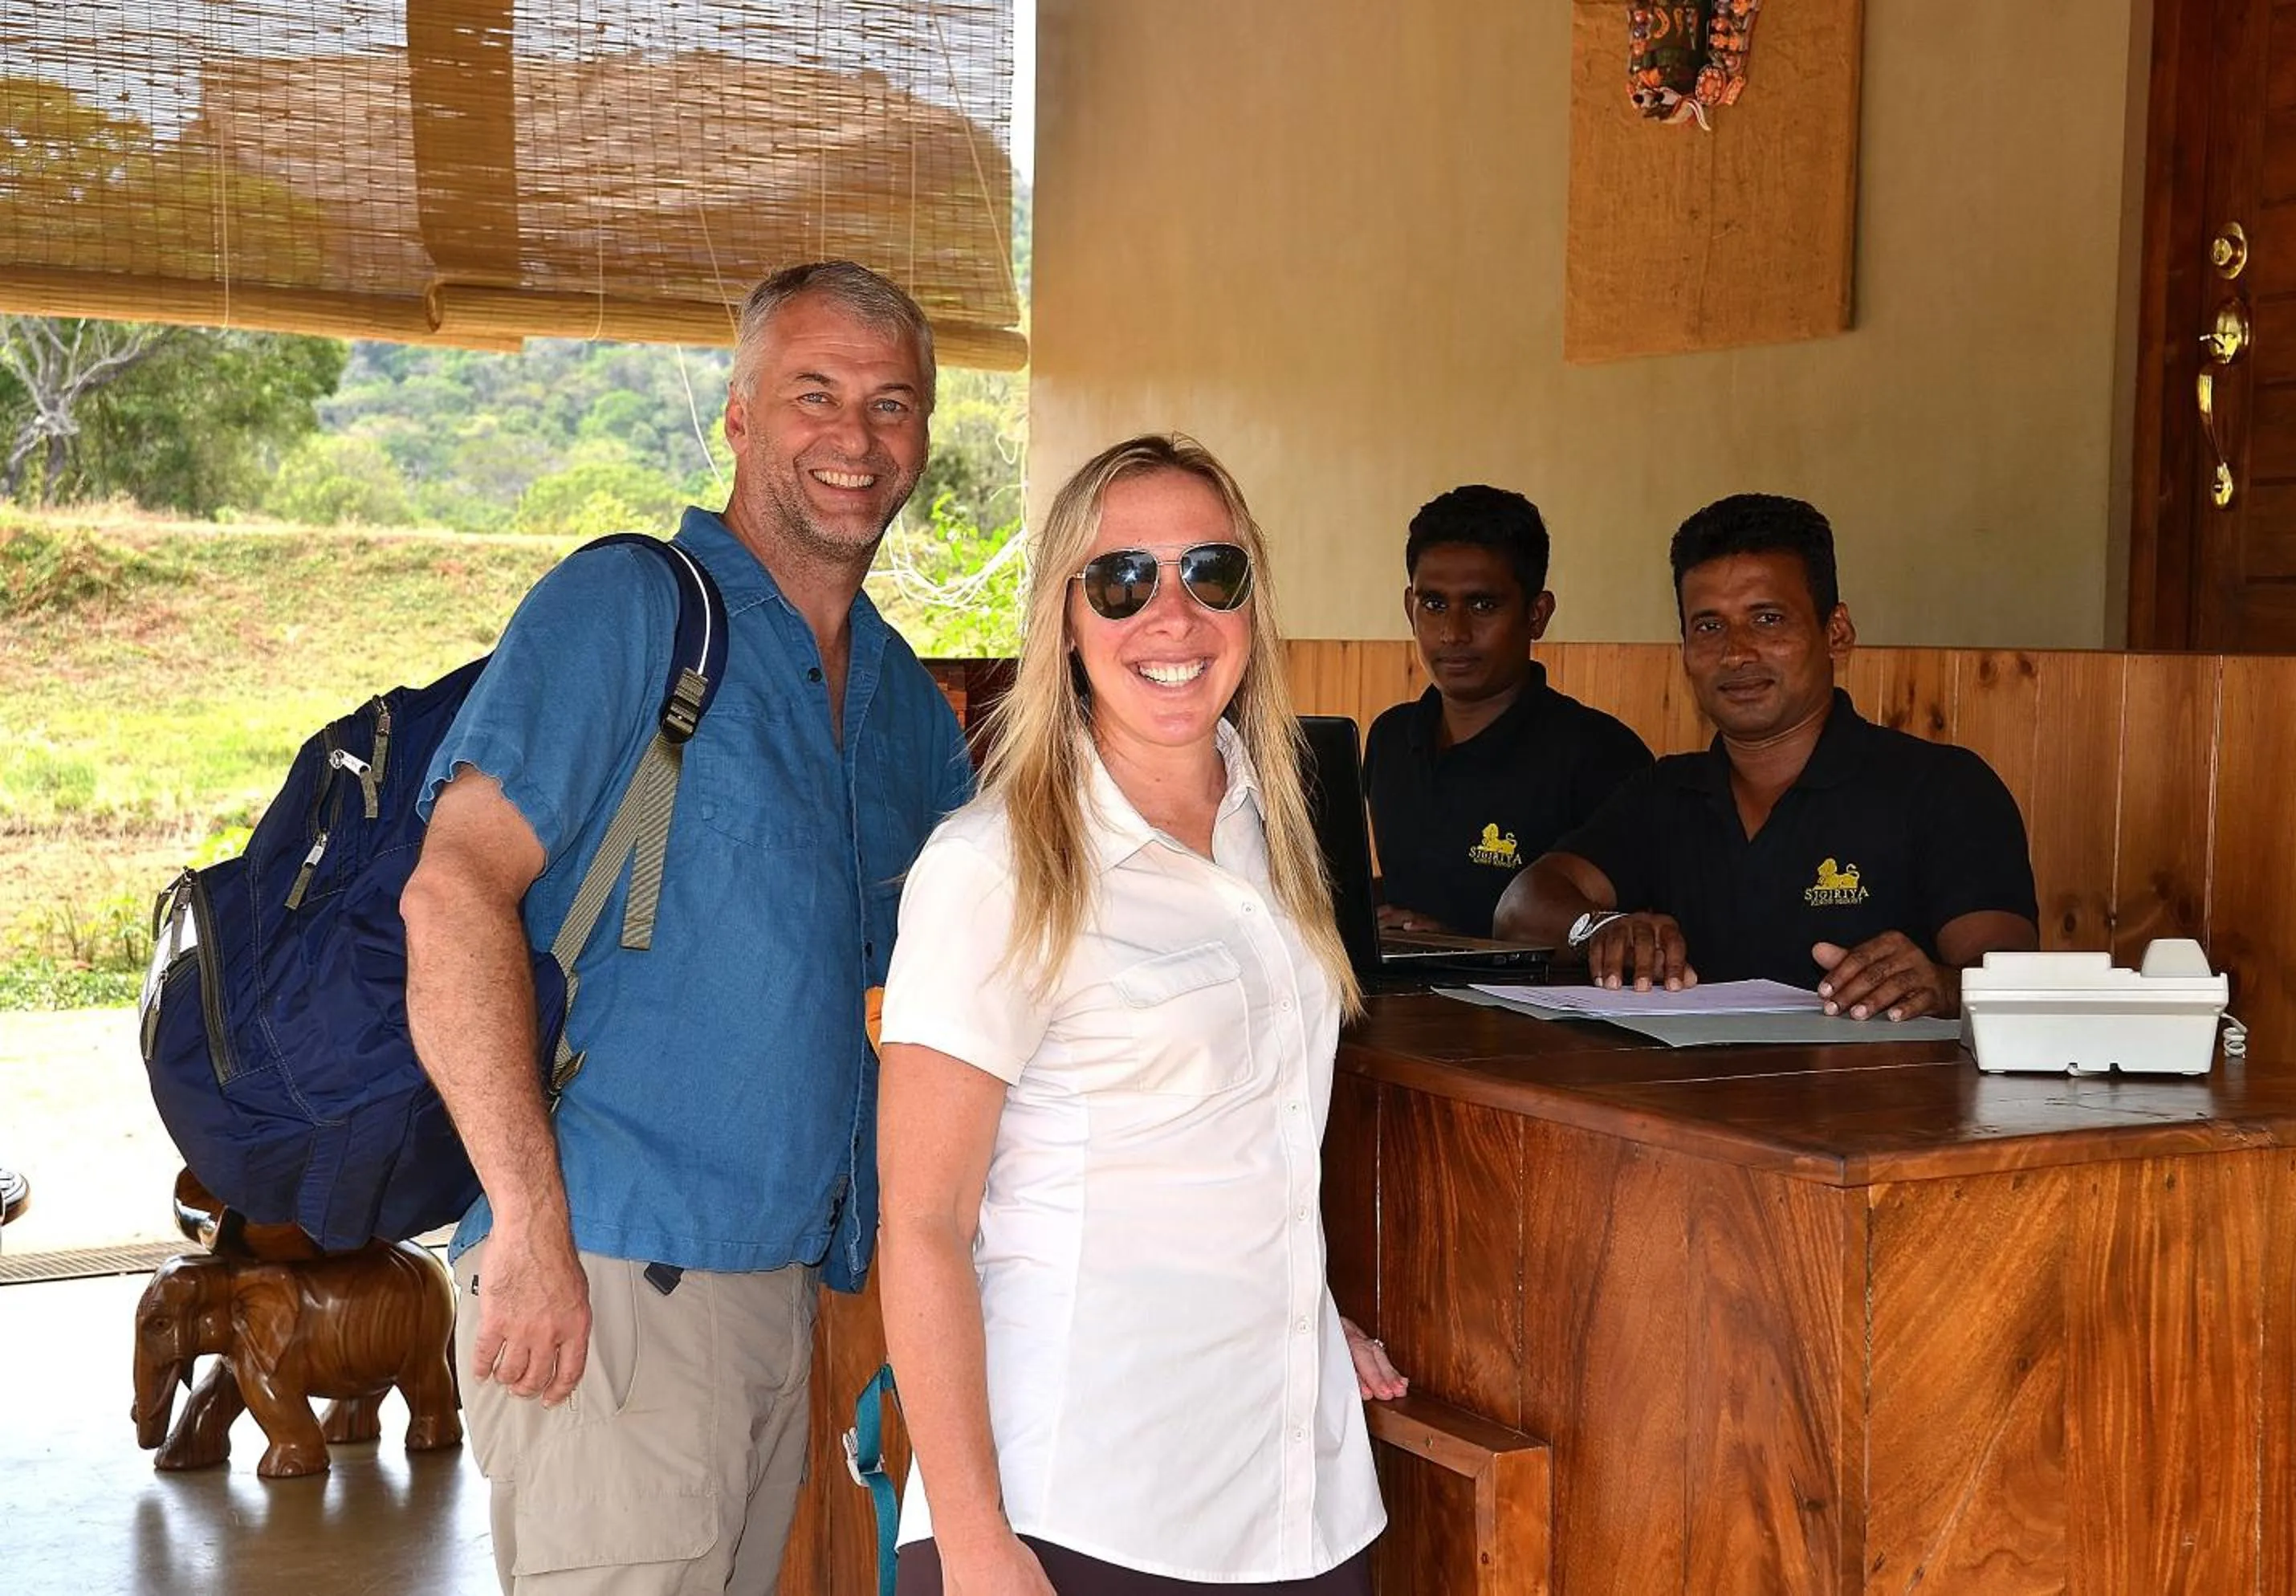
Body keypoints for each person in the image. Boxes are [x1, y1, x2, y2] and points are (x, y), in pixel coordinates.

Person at [399, 261, 971, 1595]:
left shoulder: (894, 692)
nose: (855, 438)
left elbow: (981, 954)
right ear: (737, 413)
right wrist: (531, 1231)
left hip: (777, 1287)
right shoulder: (629, 611)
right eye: (814, 393)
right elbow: (452, 892)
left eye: (893, 405)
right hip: (604, 1274)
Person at [876, 434, 1406, 1596]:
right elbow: (922, 1223)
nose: (1171, 616)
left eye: (1210, 573)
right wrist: (974, 1543)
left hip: (1297, 1499)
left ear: (1252, 603)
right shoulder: (993, 868)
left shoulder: (1277, 831)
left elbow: (1237, 1134)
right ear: (1064, 619)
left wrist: (1300, 1311)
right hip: (1083, 1505)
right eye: (1122, 582)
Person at [1495, 493, 2037, 1020]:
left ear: (1837, 633)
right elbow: (1520, 906)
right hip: (1678, 1107)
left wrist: (1939, 986)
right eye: (1708, 626)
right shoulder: (1664, 793)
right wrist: (1598, 929)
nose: (1735, 652)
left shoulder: (1942, 788)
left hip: (1877, 1108)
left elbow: (2012, 979)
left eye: (1768, 619)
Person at [1366, 486, 1651, 937]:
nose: (1453, 633)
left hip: (1534, 1009)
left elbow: (1615, 938)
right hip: (1399, 1005)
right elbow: (1416, 887)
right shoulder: (1391, 739)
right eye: (1434, 604)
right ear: (1409, 607)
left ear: (1537, 614)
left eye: (1483, 605)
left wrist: (1457, 944)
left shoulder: (1600, 755)